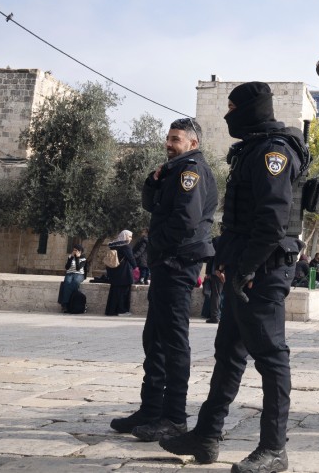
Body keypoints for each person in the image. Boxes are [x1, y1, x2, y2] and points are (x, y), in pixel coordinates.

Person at [159, 82, 307, 473]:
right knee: (229, 353)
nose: (226, 116)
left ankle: (274, 449)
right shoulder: (254, 149)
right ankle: (206, 436)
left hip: (264, 269)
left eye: (231, 108)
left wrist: (246, 268)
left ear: (250, 110)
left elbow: (273, 220)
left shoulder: (273, 151)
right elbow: (242, 220)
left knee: (271, 357)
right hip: (245, 268)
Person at [110, 117, 217, 443]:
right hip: (168, 263)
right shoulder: (174, 171)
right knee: (154, 339)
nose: (169, 144)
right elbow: (152, 205)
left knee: (172, 342)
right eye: (168, 138)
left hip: (177, 263)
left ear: (193, 144)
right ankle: (151, 410)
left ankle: (174, 417)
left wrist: (157, 247)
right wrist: (152, 182)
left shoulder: (191, 172)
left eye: (176, 139)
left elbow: (185, 220)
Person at [105, 230, 136, 316]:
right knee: (123, 293)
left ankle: (111, 311)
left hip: (114, 272)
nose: (130, 238)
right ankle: (122, 311)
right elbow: (131, 259)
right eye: (129, 236)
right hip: (124, 273)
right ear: (125, 236)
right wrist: (135, 267)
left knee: (114, 292)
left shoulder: (113, 246)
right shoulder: (125, 247)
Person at [57, 244, 87, 313]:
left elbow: (78, 268)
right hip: (69, 273)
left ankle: (71, 303)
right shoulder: (70, 256)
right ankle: (65, 305)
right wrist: (71, 258)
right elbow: (67, 267)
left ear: (80, 251)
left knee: (75, 283)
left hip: (79, 274)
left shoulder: (83, 258)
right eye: (73, 250)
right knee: (66, 283)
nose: (74, 251)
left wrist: (77, 258)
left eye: (76, 250)